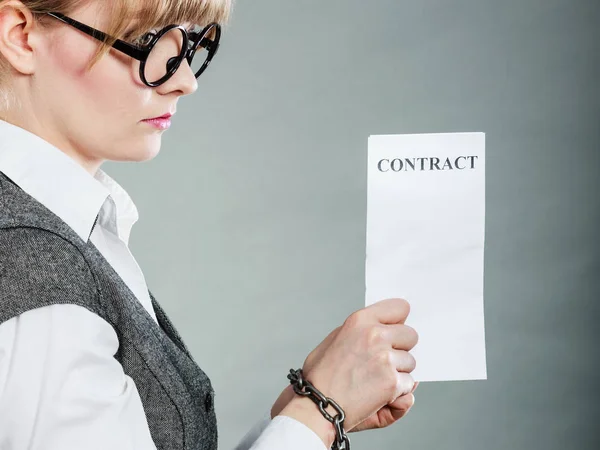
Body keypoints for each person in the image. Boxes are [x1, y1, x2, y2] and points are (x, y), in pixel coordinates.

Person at [0, 0, 419, 449]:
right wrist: (320, 407)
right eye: (147, 40)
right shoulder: (30, 258)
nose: (185, 81)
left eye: (190, 44)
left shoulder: (61, 226)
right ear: (21, 36)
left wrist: (306, 408)